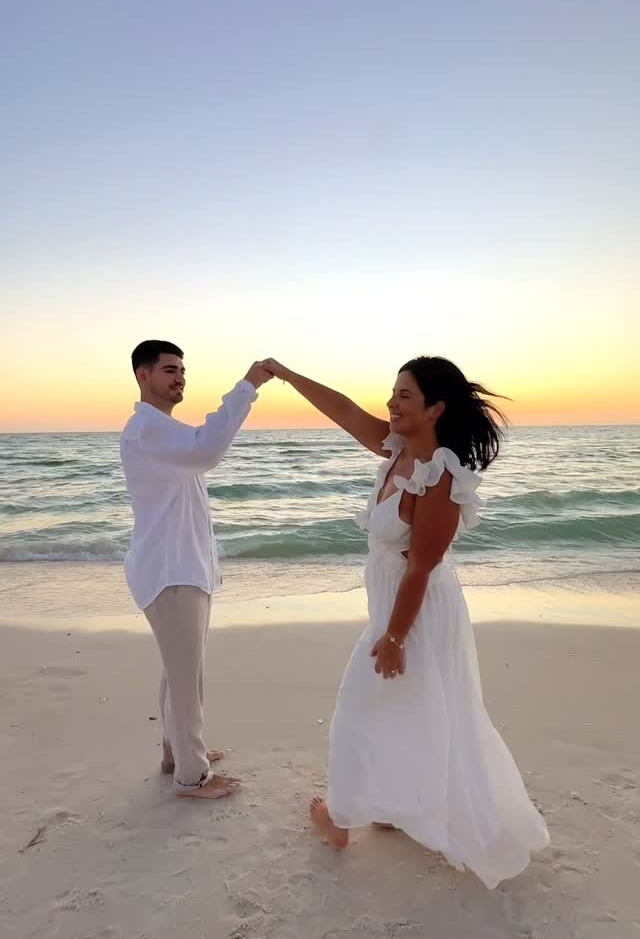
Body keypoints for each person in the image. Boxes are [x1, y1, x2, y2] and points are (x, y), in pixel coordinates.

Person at [263, 355, 549, 887]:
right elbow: (345, 409)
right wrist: (286, 374)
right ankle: (393, 805)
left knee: (358, 705)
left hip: (414, 612)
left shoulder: (439, 476)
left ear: (436, 408)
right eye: (393, 393)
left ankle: (341, 820)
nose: (392, 404)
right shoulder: (397, 452)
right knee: (413, 705)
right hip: (394, 605)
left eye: (405, 397)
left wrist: (394, 636)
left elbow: (421, 566)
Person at [120, 340, 273, 799]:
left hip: (179, 568)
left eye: (182, 369)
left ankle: (177, 753)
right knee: (187, 678)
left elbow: (197, 449)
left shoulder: (161, 431)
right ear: (143, 376)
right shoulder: (149, 429)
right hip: (171, 572)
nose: (179, 376)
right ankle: (192, 776)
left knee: (178, 670)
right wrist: (247, 387)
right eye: (169, 369)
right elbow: (208, 450)